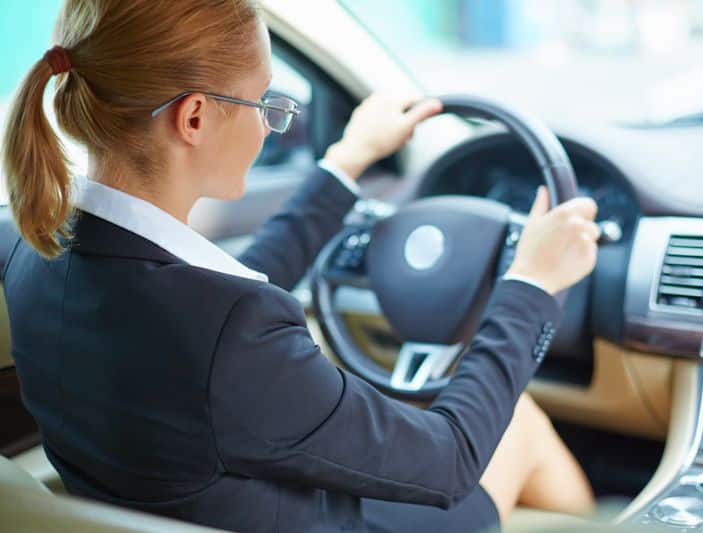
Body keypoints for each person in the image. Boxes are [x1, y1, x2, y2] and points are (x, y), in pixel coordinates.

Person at [1, 1, 599, 532]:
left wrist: (346, 161)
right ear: (195, 118)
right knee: (518, 422)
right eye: (262, 101)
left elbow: (227, 293)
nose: (269, 120)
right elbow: (450, 462)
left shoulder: (32, 249)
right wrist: (531, 282)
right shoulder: (228, 335)